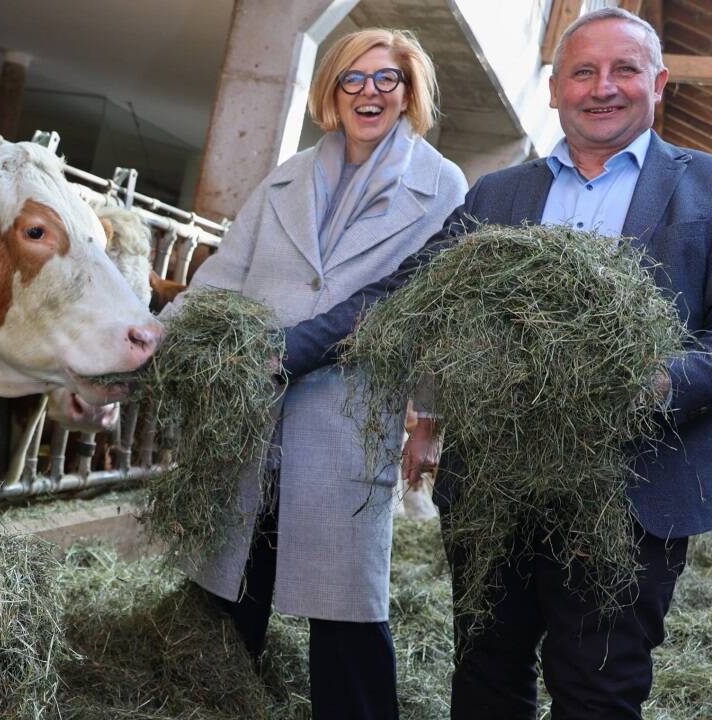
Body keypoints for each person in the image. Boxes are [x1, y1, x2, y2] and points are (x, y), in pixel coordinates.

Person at [282, 9, 712, 719]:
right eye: (583, 71)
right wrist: (285, 351)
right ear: (554, 89)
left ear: (659, 83)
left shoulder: (704, 187)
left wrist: (665, 380)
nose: (602, 87)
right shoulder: (499, 196)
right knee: (486, 673)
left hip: (630, 492)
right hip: (495, 488)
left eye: (625, 70)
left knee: (598, 688)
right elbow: (407, 291)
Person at [168, 28, 466, 719]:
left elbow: (430, 310)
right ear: (331, 91)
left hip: (345, 414)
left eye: (386, 79)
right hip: (252, 409)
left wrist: (431, 419)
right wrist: (159, 335)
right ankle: (219, 701)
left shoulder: (441, 184)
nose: (369, 93)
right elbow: (222, 279)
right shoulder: (284, 176)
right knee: (237, 571)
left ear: (409, 91)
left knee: (346, 604)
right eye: (351, 79)